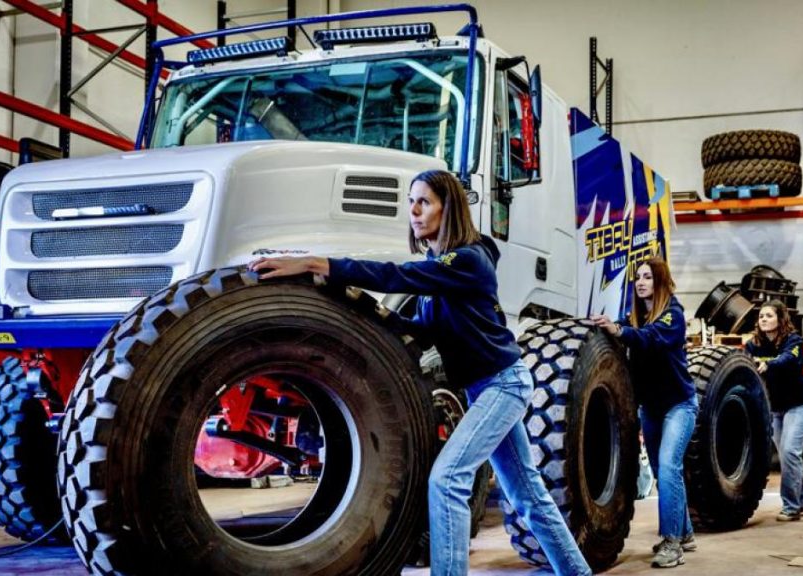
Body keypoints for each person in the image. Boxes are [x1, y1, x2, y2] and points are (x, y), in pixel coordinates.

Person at [249, 169, 591, 576]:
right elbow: (421, 331)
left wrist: (317, 261)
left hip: (504, 384)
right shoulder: (440, 270)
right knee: (530, 496)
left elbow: (397, 275)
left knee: (447, 480)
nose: (412, 210)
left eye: (424, 201)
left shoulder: (468, 261)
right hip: (486, 389)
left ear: (449, 209)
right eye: (411, 201)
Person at [591, 255, 697, 569]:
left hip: (679, 407)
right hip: (652, 409)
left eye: (648, 277)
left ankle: (672, 543)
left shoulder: (672, 316)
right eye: (638, 277)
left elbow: (651, 340)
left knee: (667, 467)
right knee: (667, 474)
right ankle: (686, 533)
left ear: (661, 281)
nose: (640, 282)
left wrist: (620, 331)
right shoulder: (634, 318)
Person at [745, 300, 803, 522]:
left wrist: (769, 364)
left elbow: (789, 359)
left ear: (780, 319)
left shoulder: (793, 341)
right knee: (789, 455)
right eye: (761, 316)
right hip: (776, 409)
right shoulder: (753, 345)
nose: (763, 319)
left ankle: (791, 506)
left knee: (788, 452)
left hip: (800, 405)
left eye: (769, 316)